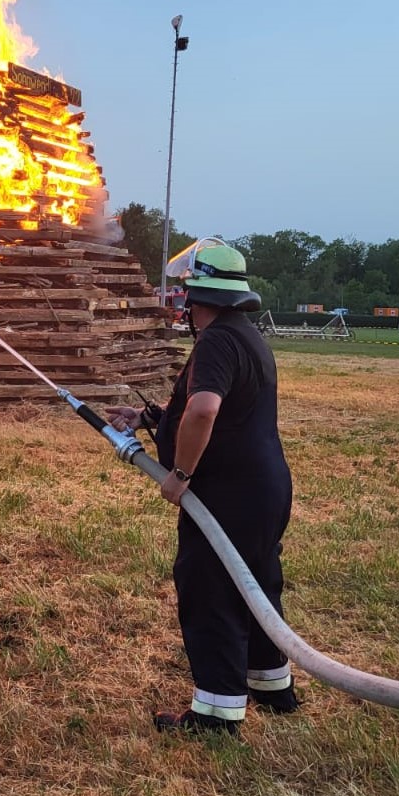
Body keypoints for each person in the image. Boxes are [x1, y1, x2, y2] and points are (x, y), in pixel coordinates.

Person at [108, 240, 298, 736]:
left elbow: (205, 410)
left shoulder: (215, 342)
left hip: (227, 493)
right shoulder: (246, 337)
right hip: (265, 489)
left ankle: (216, 714)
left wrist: (181, 474)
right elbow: (207, 407)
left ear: (198, 297)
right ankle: (271, 685)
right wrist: (148, 417)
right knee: (254, 584)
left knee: (210, 589)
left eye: (187, 295)